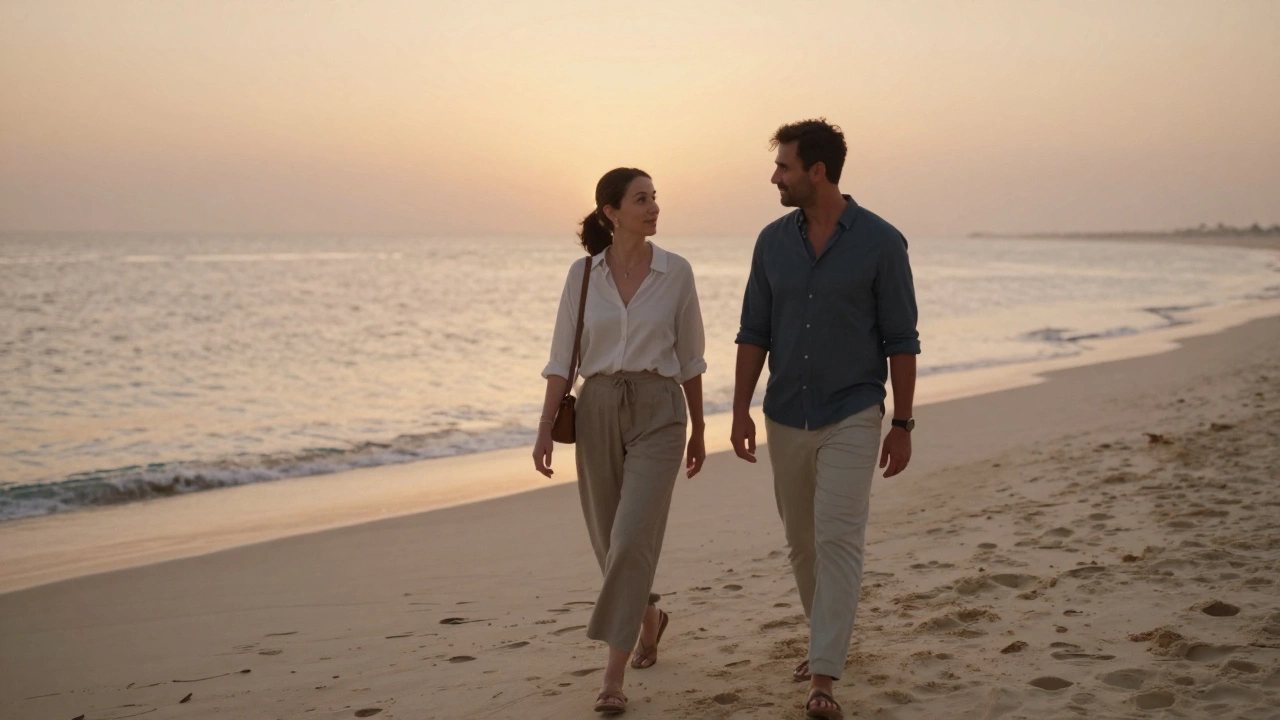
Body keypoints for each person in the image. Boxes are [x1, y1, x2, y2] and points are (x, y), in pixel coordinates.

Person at [730, 120, 920, 720]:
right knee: (802, 544)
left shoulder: (882, 243)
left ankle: (823, 677)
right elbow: (753, 331)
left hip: (854, 411)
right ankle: (827, 639)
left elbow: (902, 340)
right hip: (785, 412)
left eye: (784, 166)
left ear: (817, 171)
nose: (774, 176)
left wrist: (903, 423)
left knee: (838, 538)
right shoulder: (770, 242)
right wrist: (738, 408)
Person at [533, 167, 707, 714]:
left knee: (633, 539)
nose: (654, 207)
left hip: (659, 409)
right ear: (611, 211)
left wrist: (702, 427)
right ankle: (649, 617)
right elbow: (563, 358)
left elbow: (692, 357)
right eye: (641, 199)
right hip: (598, 408)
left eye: (655, 197)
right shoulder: (582, 276)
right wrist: (543, 428)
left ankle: (612, 675)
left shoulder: (676, 273)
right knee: (609, 543)